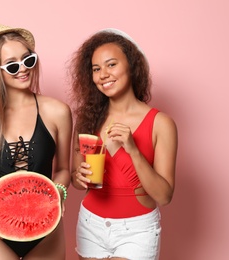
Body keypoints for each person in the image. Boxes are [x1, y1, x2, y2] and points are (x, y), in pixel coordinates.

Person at [0, 22, 72, 260]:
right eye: (12, 65)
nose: (23, 69)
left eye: (28, 60)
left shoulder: (58, 112)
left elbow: (62, 169)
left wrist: (58, 192)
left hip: (46, 225)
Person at [68, 28, 178, 260]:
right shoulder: (87, 119)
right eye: (96, 69)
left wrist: (133, 150)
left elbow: (164, 196)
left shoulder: (161, 123)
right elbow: (78, 181)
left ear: (131, 66)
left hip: (137, 229)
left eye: (111, 65)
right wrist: (78, 176)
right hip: (90, 224)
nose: (103, 74)